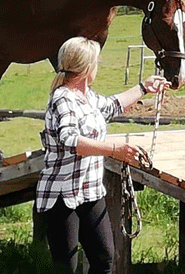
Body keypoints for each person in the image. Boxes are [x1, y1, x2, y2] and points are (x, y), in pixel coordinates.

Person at [36, 36, 170, 274]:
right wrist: (115, 150)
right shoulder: (63, 98)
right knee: (65, 267)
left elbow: (112, 105)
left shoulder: (88, 97)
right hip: (62, 195)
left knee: (104, 259)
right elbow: (71, 140)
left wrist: (144, 87)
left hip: (89, 191)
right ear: (87, 67)